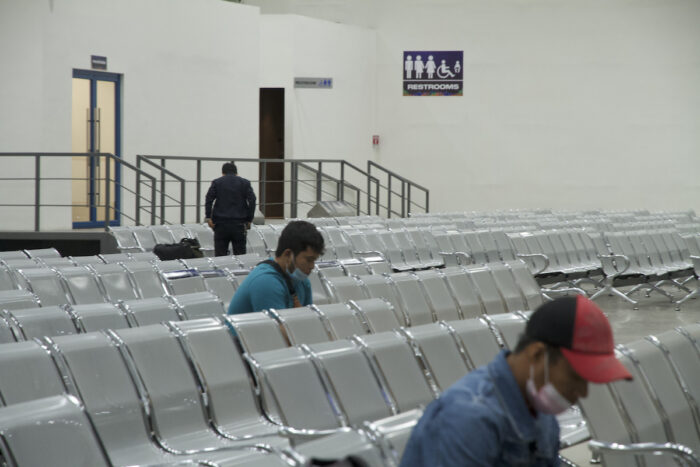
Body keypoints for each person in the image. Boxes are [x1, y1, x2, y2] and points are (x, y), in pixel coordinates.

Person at [400, 295, 632, 467]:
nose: (581, 392)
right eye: (575, 377)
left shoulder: (538, 409)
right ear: (537, 354)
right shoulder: (469, 418)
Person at [228, 220, 324, 315]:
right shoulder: (266, 281)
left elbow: (310, 322)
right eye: (309, 260)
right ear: (288, 254)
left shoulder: (302, 281)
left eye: (314, 260)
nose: (312, 266)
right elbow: (280, 329)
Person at [204, 162, 256, 256]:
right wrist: (249, 219)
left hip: (220, 224)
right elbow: (252, 200)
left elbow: (209, 199)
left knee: (220, 256)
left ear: (223, 173)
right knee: (240, 255)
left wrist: (208, 217)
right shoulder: (245, 183)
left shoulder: (217, 182)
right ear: (236, 173)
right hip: (239, 224)